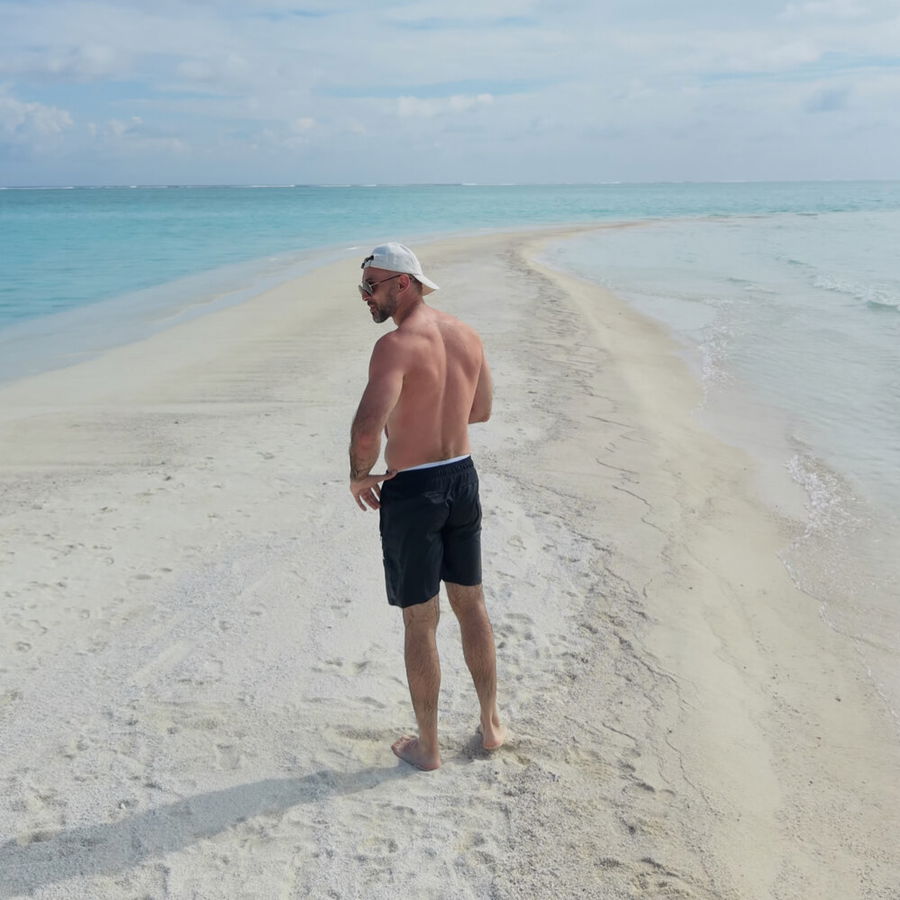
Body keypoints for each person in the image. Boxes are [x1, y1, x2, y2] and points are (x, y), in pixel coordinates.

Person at [349, 242, 506, 771]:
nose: (365, 296)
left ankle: (429, 747)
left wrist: (358, 476)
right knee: (471, 604)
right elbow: (480, 410)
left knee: (420, 620)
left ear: (404, 283)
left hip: (414, 490)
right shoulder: (467, 334)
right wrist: (437, 413)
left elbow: (367, 429)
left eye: (371, 286)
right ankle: (491, 726)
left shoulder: (394, 346)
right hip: (462, 478)